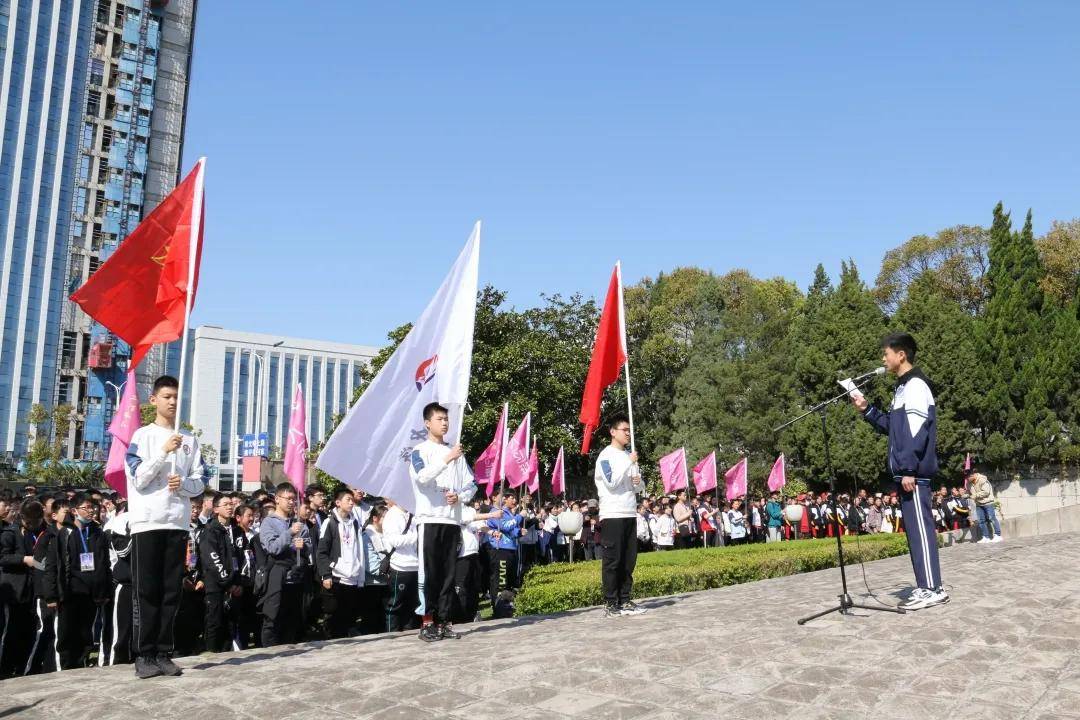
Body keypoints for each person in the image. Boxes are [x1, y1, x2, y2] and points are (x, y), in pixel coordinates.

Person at [854, 332, 948, 610]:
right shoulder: (902, 388)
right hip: (907, 473)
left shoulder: (916, 385)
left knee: (921, 530)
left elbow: (918, 431)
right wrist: (867, 410)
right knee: (915, 533)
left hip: (914, 474)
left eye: (886, 353)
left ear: (901, 355)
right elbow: (893, 429)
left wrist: (908, 468)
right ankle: (925, 586)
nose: (883, 358)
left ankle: (933, 588)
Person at [125, 375, 207, 678]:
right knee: (147, 590)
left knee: (171, 590)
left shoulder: (190, 440)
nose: (173, 402)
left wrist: (183, 483)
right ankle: (143, 654)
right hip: (147, 522)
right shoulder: (142, 436)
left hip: (177, 522)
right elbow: (139, 477)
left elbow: (201, 481)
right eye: (167, 396)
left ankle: (163, 652)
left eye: (176, 396)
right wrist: (163, 452)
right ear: (154, 400)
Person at [409, 402, 477, 642]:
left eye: (446, 419)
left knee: (449, 574)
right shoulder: (420, 451)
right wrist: (448, 458)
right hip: (429, 520)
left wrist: (459, 496)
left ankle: (444, 621)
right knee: (431, 574)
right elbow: (423, 478)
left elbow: (472, 484)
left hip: (451, 521)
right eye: (439, 419)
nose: (445, 423)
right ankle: (427, 622)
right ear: (428, 423)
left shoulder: (457, 453)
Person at [50, 492, 111, 669]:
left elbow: (105, 563)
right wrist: (51, 595)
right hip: (70, 592)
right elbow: (54, 565)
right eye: (86, 508)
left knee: (87, 633)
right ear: (75, 511)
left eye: (92, 507)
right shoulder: (65, 533)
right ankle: (66, 667)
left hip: (92, 593)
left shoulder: (98, 533)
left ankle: (83, 664)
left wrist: (104, 590)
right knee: (67, 633)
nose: (91, 511)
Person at [595, 413, 646, 617]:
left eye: (629, 430)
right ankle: (610, 603)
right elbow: (611, 482)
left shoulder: (628, 456)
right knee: (613, 560)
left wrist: (638, 482)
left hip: (629, 512)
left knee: (628, 559)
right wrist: (629, 462)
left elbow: (638, 487)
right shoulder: (605, 456)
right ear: (612, 432)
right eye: (624, 430)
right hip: (613, 513)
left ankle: (625, 600)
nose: (628, 434)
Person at [258, 483, 311, 646]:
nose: (291, 502)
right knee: (272, 620)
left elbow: (308, 547)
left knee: (292, 621)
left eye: (294, 499)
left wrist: (304, 546)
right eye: (288, 499)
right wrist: (289, 533)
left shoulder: (299, 523)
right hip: (277, 576)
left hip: (295, 578)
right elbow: (272, 548)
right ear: (277, 499)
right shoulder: (269, 522)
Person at [0, 500, 45, 677]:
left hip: (31, 589)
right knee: (11, 631)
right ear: (24, 518)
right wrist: (23, 559)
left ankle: (21, 667)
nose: (34, 525)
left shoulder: (38, 532)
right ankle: (5, 668)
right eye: (31, 522)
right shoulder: (10, 532)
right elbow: (3, 558)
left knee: (28, 631)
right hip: (14, 589)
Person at [316, 488, 365, 639]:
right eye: (347, 500)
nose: (351, 503)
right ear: (338, 503)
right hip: (336, 576)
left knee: (348, 615)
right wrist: (326, 574)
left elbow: (359, 550)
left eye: (352, 500)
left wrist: (360, 575)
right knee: (334, 617)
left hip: (352, 576)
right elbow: (322, 551)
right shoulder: (329, 523)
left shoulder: (355, 523)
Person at [199, 493, 241, 652]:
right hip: (216, 586)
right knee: (214, 623)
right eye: (226, 504)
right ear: (215, 509)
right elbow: (213, 559)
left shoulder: (235, 530)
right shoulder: (210, 530)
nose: (230, 507)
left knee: (229, 625)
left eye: (231, 504)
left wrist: (237, 583)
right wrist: (228, 582)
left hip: (233, 586)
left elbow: (241, 558)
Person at [382, 499, 420, 632]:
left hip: (416, 565)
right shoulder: (392, 515)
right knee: (396, 604)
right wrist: (416, 536)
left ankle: (410, 632)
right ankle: (392, 634)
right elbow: (394, 541)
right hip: (400, 566)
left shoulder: (414, 514)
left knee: (413, 604)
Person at [969, 473, 1002, 543]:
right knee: (981, 521)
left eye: (970, 476)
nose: (968, 478)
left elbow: (986, 492)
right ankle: (985, 537)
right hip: (978, 504)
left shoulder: (982, 480)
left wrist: (975, 496)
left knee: (992, 518)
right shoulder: (971, 483)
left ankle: (998, 535)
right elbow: (972, 493)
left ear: (974, 475)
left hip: (988, 503)